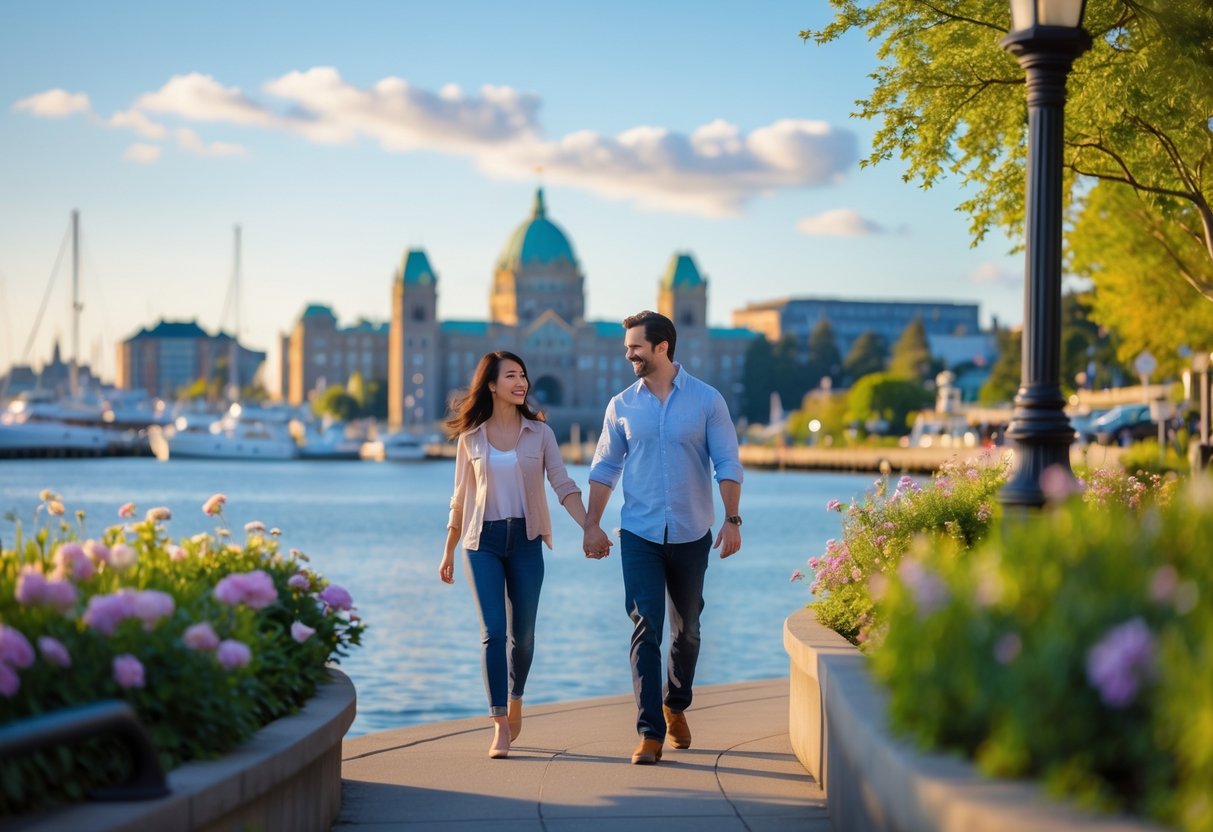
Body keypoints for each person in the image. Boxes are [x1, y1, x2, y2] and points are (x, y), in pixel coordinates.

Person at [583, 310, 743, 765]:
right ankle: (650, 732)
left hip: (693, 532)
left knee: (687, 630)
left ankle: (676, 704)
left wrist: (732, 519)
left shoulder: (707, 401)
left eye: (635, 346)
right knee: (644, 623)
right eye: (627, 346)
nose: (628, 353)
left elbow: (727, 462)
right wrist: (592, 524)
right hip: (639, 532)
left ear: (662, 347)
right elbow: (604, 469)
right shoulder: (621, 405)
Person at [439, 350, 596, 759]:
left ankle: (516, 698)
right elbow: (459, 499)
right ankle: (498, 726)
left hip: (526, 541)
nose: (520, 381)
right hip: (482, 543)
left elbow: (562, 484)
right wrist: (448, 551)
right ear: (492, 385)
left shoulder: (540, 434)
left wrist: (589, 526)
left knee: (521, 638)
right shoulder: (471, 438)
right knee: (492, 632)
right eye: (511, 375)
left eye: (522, 375)